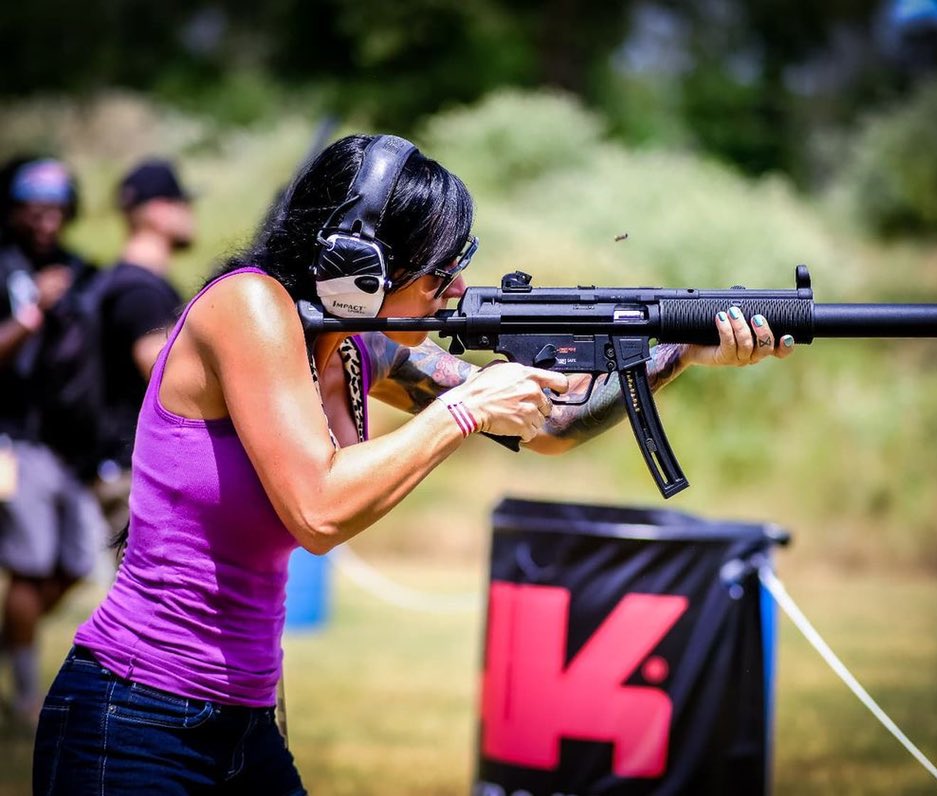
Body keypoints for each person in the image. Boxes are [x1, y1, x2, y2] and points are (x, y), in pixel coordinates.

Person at [32, 134, 794, 794]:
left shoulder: (355, 343)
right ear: (354, 266)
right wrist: (461, 412)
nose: (455, 289)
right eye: (437, 271)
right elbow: (319, 511)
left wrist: (678, 351)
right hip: (134, 716)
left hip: (238, 719)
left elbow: (551, 426)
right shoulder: (250, 310)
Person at [0, 156, 106, 729]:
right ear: (13, 210)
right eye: (33, 211)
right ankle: (23, 696)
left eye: (56, 211)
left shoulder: (79, 270)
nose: (45, 222)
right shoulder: (4, 268)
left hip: (71, 445)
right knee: (30, 566)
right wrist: (33, 310)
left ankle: (10, 643)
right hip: (14, 442)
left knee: (80, 559)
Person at [92, 159, 192, 535]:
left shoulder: (122, 281)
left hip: (125, 466)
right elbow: (167, 375)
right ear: (156, 211)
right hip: (133, 469)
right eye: (182, 203)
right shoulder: (141, 293)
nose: (189, 214)